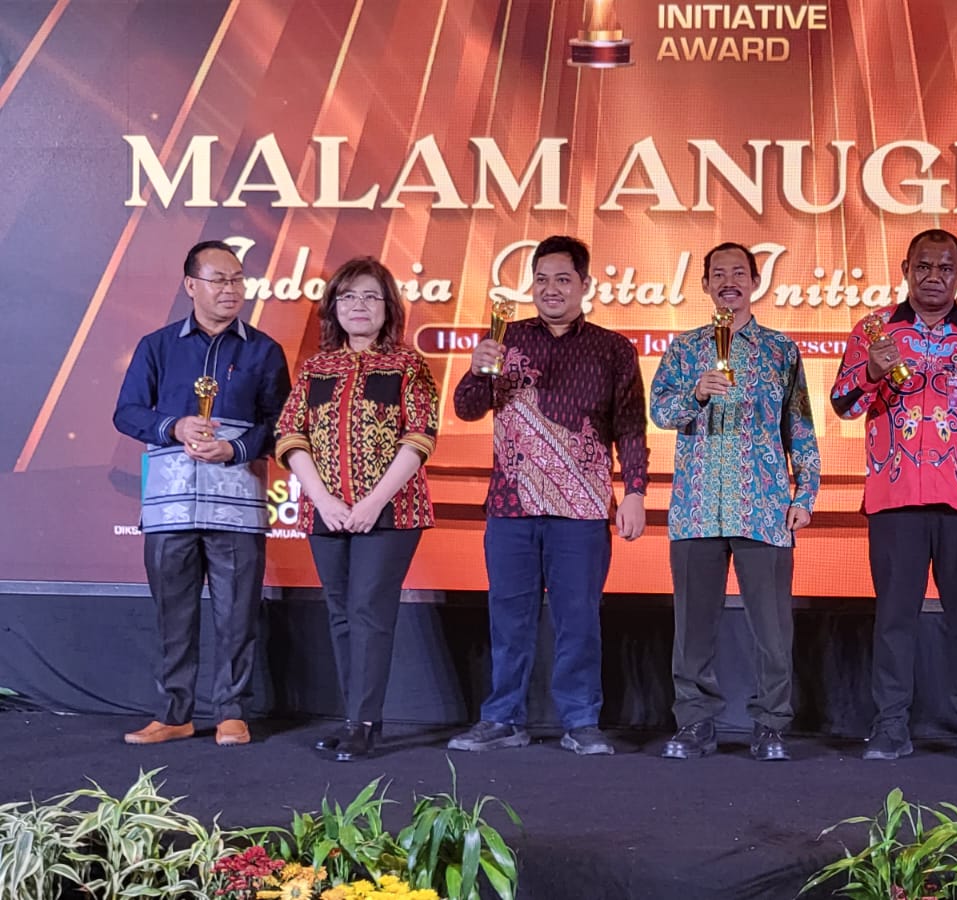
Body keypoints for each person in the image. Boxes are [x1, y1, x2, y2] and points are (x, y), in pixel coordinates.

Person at [447, 235, 648, 755]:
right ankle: (502, 719)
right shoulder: (504, 339)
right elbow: (466, 408)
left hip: (581, 509)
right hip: (511, 506)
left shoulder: (613, 349)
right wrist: (477, 368)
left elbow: (630, 426)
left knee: (578, 619)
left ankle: (581, 722)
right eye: (541, 280)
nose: (551, 289)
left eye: (563, 279)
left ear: (585, 284)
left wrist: (635, 491)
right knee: (508, 618)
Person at [830, 229, 957, 763]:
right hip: (895, 498)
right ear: (905, 269)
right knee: (894, 621)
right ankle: (891, 726)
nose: (933, 276)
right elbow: (844, 405)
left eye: (945, 268)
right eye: (923, 266)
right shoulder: (874, 331)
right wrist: (872, 370)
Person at [113, 239, 290, 747]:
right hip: (169, 506)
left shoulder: (263, 350)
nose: (230, 289)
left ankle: (232, 712)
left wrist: (235, 448)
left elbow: (281, 424)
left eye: (237, 279)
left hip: (238, 504)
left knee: (237, 613)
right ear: (191, 285)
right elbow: (127, 412)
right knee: (173, 614)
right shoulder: (157, 346)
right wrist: (175, 426)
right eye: (219, 279)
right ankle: (175, 714)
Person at [649, 242, 822, 762]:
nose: (730, 282)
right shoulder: (685, 349)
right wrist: (695, 394)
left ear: (755, 282)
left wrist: (805, 493)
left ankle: (771, 725)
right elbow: (660, 412)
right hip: (696, 508)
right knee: (692, 631)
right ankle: (695, 723)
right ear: (704, 284)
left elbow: (800, 427)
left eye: (739, 273)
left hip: (764, 508)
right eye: (719, 274)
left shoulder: (780, 350)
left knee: (772, 630)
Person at [275, 257, 439, 761]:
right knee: (341, 614)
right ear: (333, 308)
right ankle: (353, 718)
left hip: (389, 512)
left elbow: (419, 437)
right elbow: (290, 434)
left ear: (389, 307)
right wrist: (322, 499)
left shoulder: (408, 365)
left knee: (369, 610)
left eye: (370, 296)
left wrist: (372, 502)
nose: (358, 306)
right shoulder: (315, 368)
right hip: (325, 511)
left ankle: (365, 722)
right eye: (347, 297)